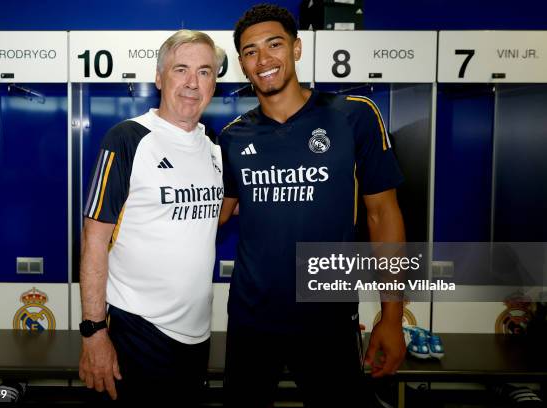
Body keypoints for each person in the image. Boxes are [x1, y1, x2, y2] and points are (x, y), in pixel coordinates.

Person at [218, 4, 407, 407]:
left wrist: (391, 317)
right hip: (252, 319)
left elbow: (383, 215)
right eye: (251, 51)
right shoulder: (233, 137)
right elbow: (213, 214)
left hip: (328, 318)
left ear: (297, 48)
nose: (263, 59)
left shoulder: (353, 116)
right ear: (241, 64)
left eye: (274, 45)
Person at [78, 30, 225, 406]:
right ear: (160, 78)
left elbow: (204, 221)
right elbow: (94, 239)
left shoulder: (215, 148)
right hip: (136, 332)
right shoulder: (128, 139)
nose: (193, 83)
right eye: (181, 69)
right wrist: (94, 333)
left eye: (205, 71)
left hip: (196, 337)